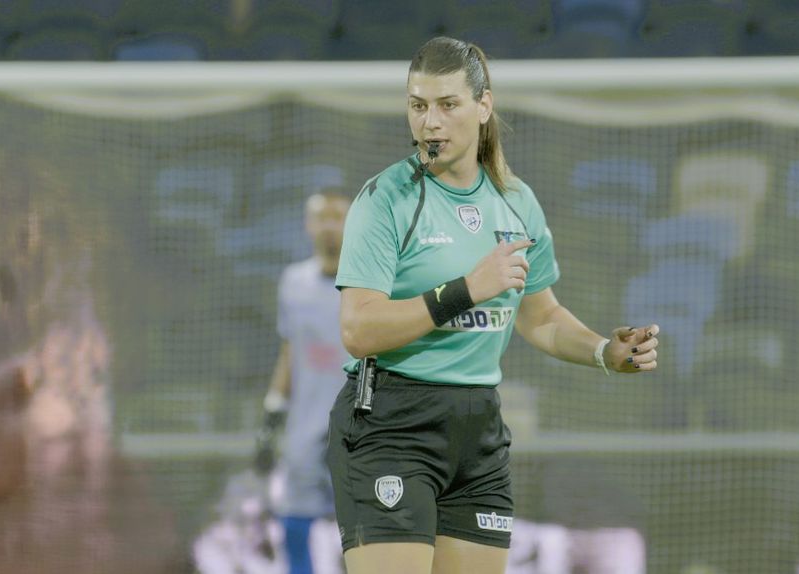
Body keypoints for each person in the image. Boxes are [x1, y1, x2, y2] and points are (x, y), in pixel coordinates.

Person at [326, 36, 661, 574]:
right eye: (418, 106)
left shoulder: (516, 201)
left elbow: (541, 316)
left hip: (477, 427)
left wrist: (604, 351)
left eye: (447, 105)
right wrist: (465, 289)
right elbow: (358, 330)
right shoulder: (385, 199)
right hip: (392, 424)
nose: (430, 123)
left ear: (484, 106)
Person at [255, 191, 352, 574]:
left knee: (364, 530)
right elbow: (290, 351)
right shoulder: (293, 282)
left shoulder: (372, 284)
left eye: (338, 217)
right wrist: (272, 414)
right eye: (321, 217)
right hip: (306, 427)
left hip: (359, 429)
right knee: (294, 522)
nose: (329, 226)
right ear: (308, 225)